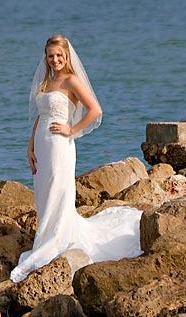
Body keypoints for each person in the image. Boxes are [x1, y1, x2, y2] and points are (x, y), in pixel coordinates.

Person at [10, 34, 144, 283]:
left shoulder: (71, 80)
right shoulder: (46, 82)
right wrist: (30, 144)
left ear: (67, 56)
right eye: (51, 56)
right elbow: (41, 115)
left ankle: (56, 240)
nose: (55, 60)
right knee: (42, 191)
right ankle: (45, 236)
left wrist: (72, 129)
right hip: (41, 144)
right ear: (46, 57)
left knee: (58, 192)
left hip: (60, 146)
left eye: (59, 55)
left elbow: (96, 110)